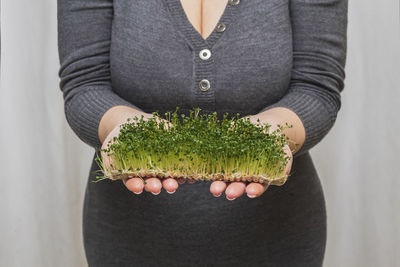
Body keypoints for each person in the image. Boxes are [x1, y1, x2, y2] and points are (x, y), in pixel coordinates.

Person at [57, 0, 347, 266]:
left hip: (278, 237)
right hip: (128, 238)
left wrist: (274, 130)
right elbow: (85, 83)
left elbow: (316, 85)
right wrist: (121, 124)